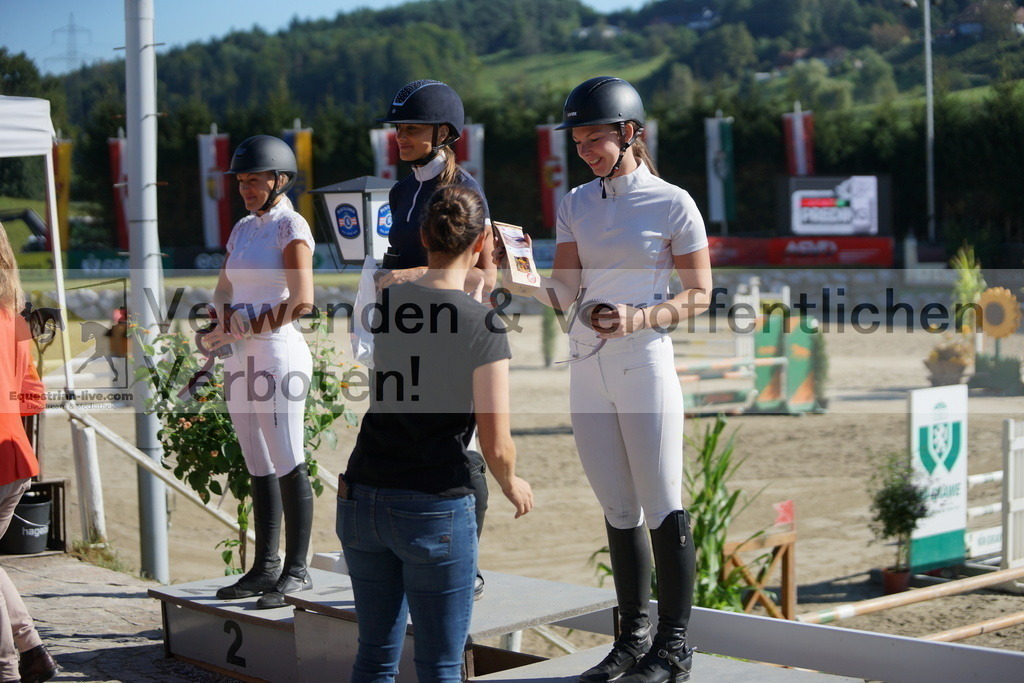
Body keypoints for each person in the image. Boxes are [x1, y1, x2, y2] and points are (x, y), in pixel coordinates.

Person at [530, 77, 712, 683]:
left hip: (643, 362)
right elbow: (564, 293)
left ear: (631, 133)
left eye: (595, 139)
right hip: (586, 365)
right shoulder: (575, 202)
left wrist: (639, 316)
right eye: (578, 141)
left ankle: (675, 647)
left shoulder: (673, 202)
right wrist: (509, 272)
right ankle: (631, 641)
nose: (585, 150)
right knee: (616, 508)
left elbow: (702, 295)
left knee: (662, 504)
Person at [337, 186, 533, 682]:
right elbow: (495, 442)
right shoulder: (484, 325)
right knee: (440, 665)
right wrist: (511, 482)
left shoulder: (391, 302)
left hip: (364, 490)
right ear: (484, 240)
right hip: (431, 501)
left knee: (374, 655)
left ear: (423, 235)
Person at [375, 79, 497, 599]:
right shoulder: (401, 191)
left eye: (411, 128)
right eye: (398, 128)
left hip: (450, 336)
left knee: (456, 450)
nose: (399, 136)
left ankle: (467, 561)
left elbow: (481, 277)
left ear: (442, 132)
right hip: (401, 336)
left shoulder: (464, 190)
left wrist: (406, 278)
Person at [202, 135, 317, 610]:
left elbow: (301, 300)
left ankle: (297, 569)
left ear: (280, 179)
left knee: (287, 456)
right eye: (242, 180)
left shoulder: (291, 226)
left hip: (277, 353)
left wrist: (245, 326)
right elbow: (224, 288)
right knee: (255, 460)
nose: (246, 188)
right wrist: (217, 326)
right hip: (240, 356)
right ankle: (265, 565)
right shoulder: (244, 228)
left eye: (255, 179)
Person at [0, 225, 59, 683]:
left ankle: (8, 669)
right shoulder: (12, 315)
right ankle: (32, 648)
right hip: (15, 457)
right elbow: (34, 396)